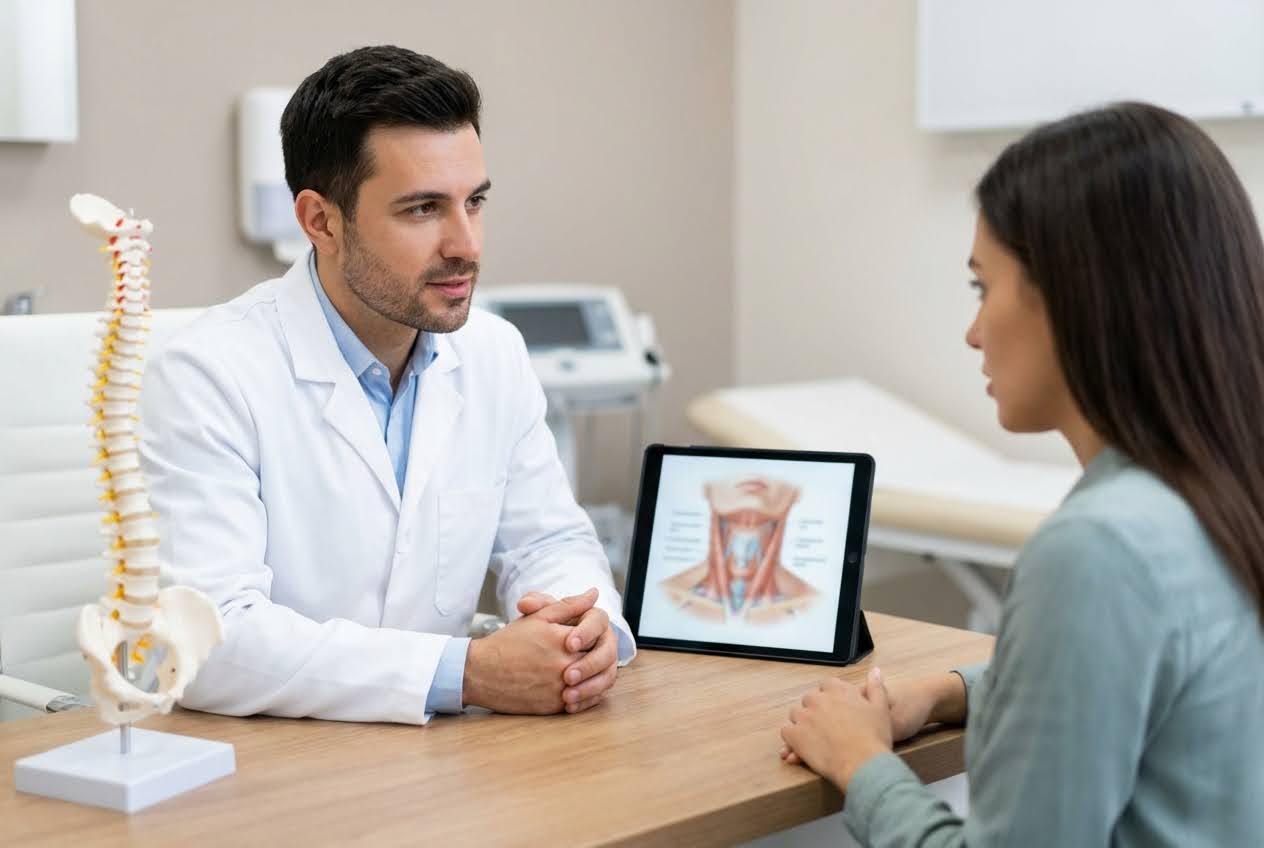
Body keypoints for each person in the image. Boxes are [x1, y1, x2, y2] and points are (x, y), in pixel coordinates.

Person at [779, 102, 1264, 845]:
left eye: (983, 287)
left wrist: (863, 763)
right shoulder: (1221, 492)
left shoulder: (1100, 550)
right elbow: (1126, 686)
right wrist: (942, 695)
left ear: (1076, 296)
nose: (973, 332)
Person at [139, 45, 633, 724]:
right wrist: (467, 674)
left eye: (475, 202)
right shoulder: (208, 373)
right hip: (277, 774)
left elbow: (549, 541)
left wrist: (582, 632)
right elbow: (208, 636)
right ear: (320, 221)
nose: (466, 244)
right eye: (423, 209)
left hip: (446, 765)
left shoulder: (494, 353)